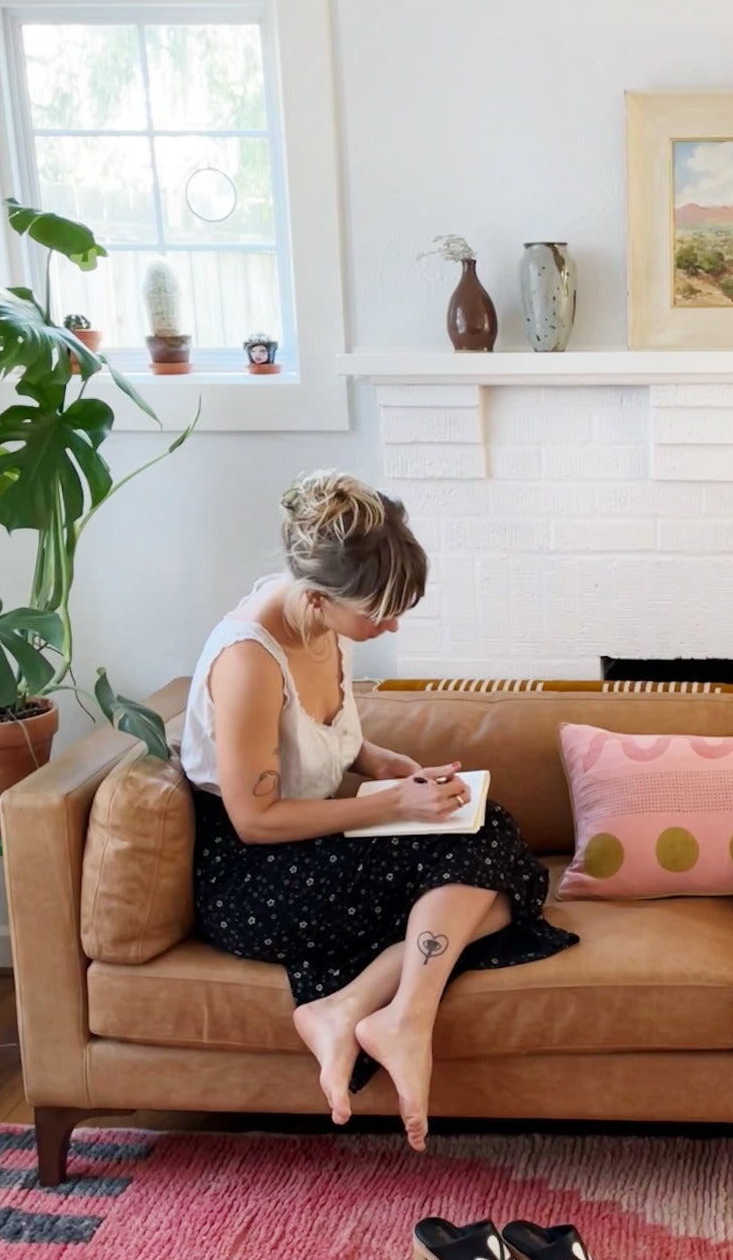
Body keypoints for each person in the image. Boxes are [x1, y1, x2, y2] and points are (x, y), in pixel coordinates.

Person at [180, 470, 578, 1150]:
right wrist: (395, 803)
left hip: (303, 849)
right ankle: (402, 1017)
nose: (390, 625)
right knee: (490, 863)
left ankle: (353, 1005)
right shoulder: (249, 659)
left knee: (490, 836)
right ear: (317, 598)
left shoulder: (318, 623)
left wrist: (387, 765)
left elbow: (318, 734)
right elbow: (255, 820)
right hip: (255, 877)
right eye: (378, 613)